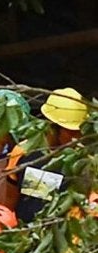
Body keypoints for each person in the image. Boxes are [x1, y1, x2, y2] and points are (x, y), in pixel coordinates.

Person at [12, 89, 91, 223]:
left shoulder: (85, 162)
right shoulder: (23, 152)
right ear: (52, 126)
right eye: (70, 132)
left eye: (79, 131)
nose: (77, 138)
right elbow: (7, 199)